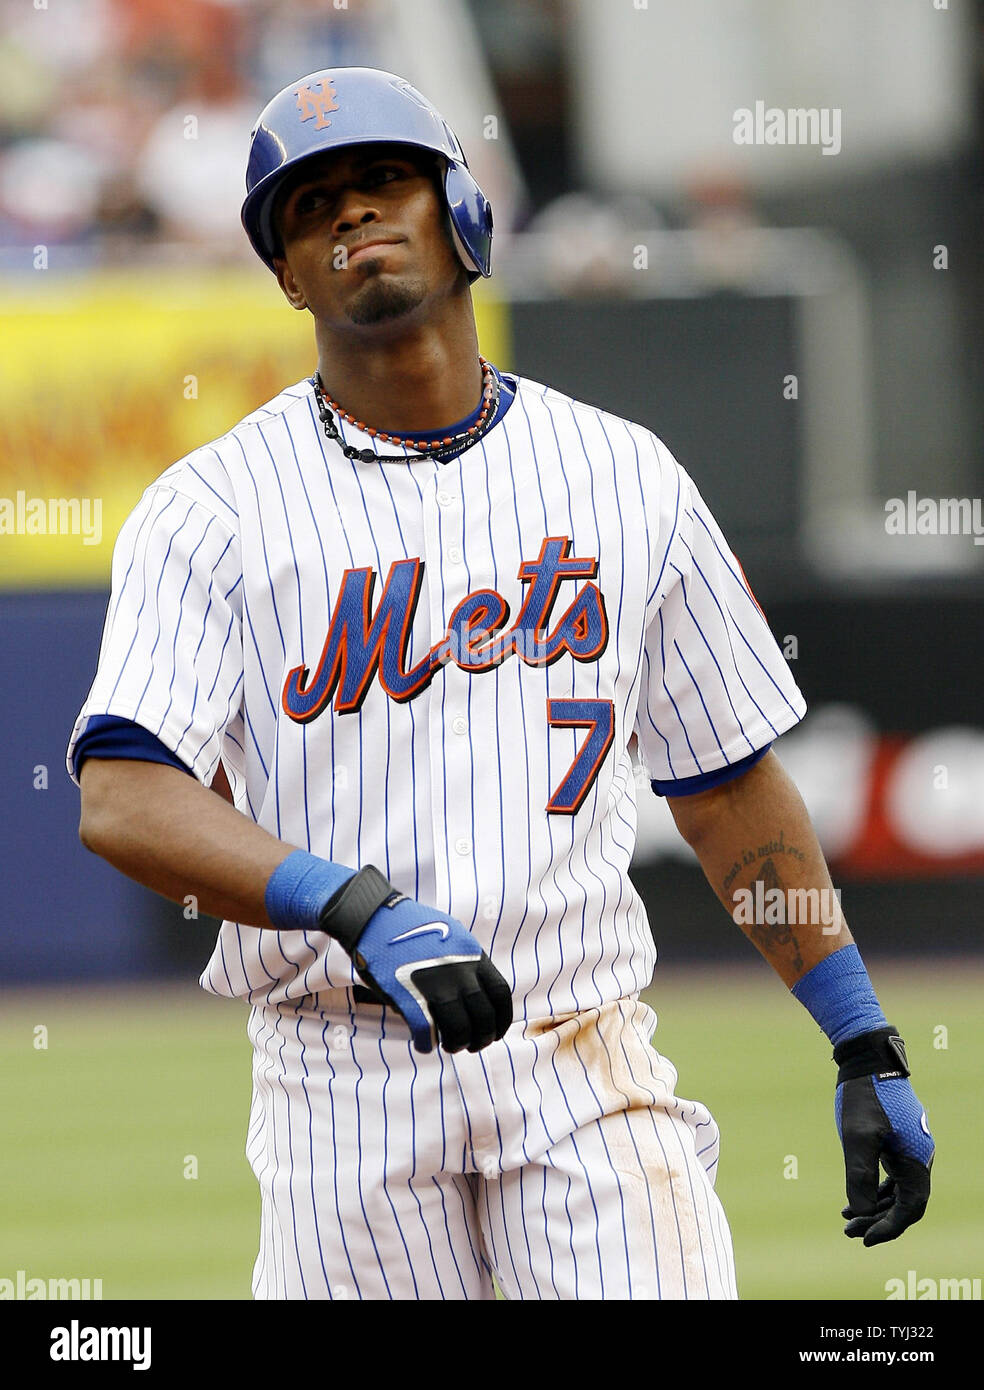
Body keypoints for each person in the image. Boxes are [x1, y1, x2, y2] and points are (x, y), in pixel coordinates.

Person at [68, 67, 933, 1301]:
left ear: (463, 211)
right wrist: (352, 904)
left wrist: (861, 1036)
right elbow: (122, 793)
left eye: (382, 181)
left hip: (581, 1060)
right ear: (287, 275)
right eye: (312, 209)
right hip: (339, 1084)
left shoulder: (624, 475)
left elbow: (728, 784)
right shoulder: (209, 512)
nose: (352, 217)